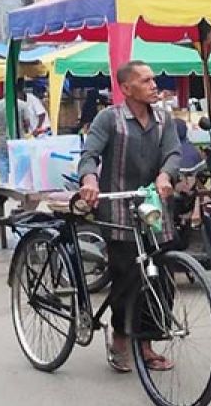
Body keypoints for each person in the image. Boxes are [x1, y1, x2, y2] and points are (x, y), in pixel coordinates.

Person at [78, 60, 182, 374]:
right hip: (119, 210)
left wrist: (166, 175)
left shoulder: (165, 119)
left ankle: (146, 343)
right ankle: (121, 337)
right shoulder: (109, 119)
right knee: (128, 279)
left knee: (161, 277)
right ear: (126, 88)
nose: (154, 85)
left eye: (154, 79)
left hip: (153, 210)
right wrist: (90, 180)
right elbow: (90, 155)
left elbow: (173, 153)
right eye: (146, 80)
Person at [0, 91, 33, 183]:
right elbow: (27, 122)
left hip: (3, 140)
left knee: (4, 163)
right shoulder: (22, 105)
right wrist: (25, 130)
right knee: (19, 162)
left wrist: (2, 128)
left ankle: (4, 185)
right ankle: (19, 183)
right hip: (19, 139)